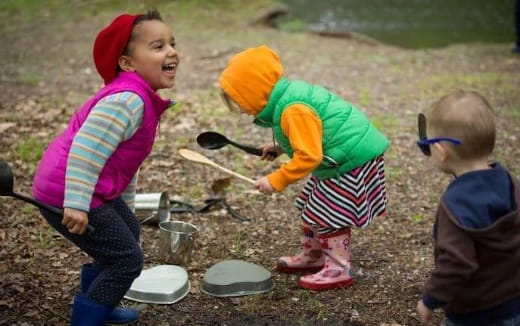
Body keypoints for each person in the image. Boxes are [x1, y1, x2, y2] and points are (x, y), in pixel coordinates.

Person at [32, 9, 179, 325]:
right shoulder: (127, 101)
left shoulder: (139, 98)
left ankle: (104, 302)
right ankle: (87, 320)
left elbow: (124, 165)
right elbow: (85, 151)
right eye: (157, 46)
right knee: (127, 260)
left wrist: (123, 209)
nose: (171, 52)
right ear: (127, 63)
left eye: (171, 43)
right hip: (67, 190)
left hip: (88, 186)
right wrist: (75, 203)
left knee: (129, 232)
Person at [218, 45, 389, 290]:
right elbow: (309, 136)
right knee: (313, 206)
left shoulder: (292, 110)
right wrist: (279, 147)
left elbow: (309, 155)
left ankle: (338, 269)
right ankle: (315, 255)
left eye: (241, 101)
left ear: (256, 92)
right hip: (340, 154)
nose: (243, 111)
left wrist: (276, 179)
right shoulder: (288, 98)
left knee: (330, 213)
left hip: (349, 161)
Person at [415, 90, 520, 325]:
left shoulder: (454, 205)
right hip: (514, 302)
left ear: (441, 152)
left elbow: (456, 261)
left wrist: (430, 299)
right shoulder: (510, 182)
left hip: (474, 312)